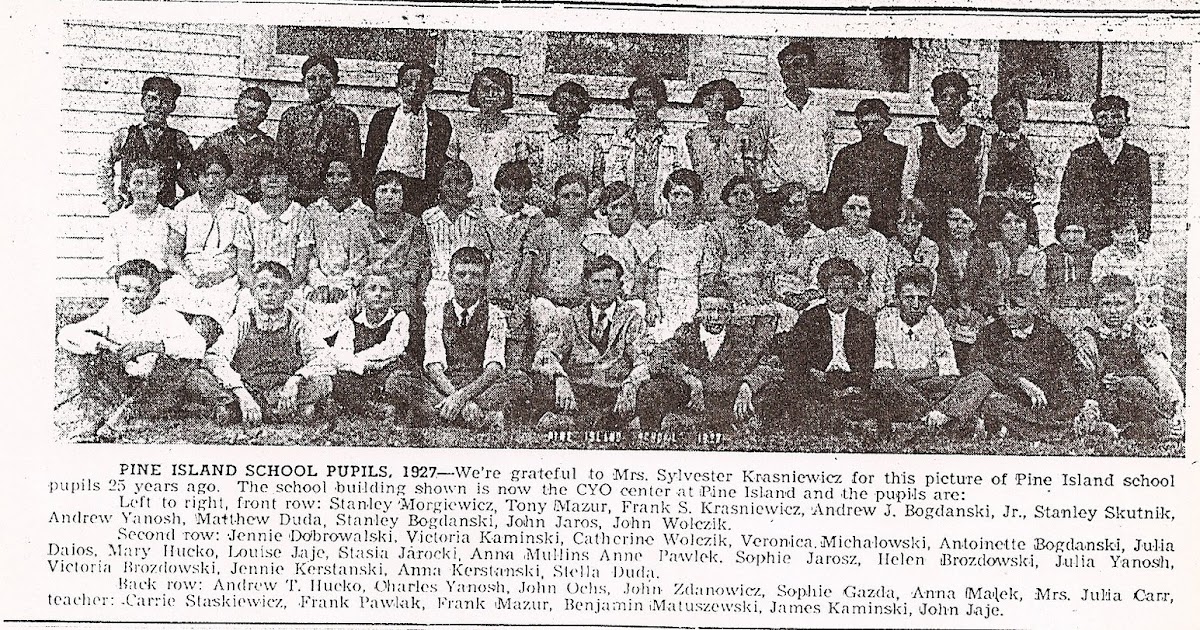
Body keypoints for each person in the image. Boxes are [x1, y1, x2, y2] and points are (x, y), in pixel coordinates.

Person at [57, 259, 229, 442]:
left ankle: (125, 413)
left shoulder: (165, 314)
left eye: (139, 290)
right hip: (122, 384)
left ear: (154, 292)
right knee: (88, 354)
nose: (131, 296)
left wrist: (152, 346)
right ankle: (112, 411)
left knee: (179, 362)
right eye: (125, 289)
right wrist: (103, 344)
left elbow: (197, 346)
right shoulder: (112, 312)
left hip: (158, 387)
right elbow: (67, 334)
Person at [389, 247, 532, 429]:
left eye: (475, 275)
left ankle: (442, 414)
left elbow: (494, 367)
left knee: (521, 381)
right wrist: (456, 397)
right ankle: (479, 416)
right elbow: (434, 367)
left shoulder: (495, 315)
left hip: (480, 388)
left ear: (485, 280)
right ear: (451, 277)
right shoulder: (437, 312)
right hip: (445, 386)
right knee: (398, 380)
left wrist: (461, 398)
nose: (467, 281)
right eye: (461, 274)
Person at [204, 261, 335, 425]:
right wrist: (242, 394)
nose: (269, 293)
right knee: (200, 376)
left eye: (276, 288)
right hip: (246, 389)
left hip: (281, 391)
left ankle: (244, 411)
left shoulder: (297, 322)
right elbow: (216, 357)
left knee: (323, 381)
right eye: (262, 286)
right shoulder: (243, 319)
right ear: (253, 292)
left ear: (288, 294)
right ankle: (271, 410)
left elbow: (324, 356)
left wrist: (296, 380)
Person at [532, 255, 653, 429]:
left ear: (619, 286)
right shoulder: (572, 318)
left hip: (615, 392)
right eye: (596, 282)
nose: (602, 288)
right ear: (587, 286)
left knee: (648, 390)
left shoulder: (631, 318)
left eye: (608, 282)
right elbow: (545, 353)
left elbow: (644, 359)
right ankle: (577, 420)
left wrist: (631, 384)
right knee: (541, 383)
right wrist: (560, 378)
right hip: (579, 391)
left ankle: (581, 422)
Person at [871, 265, 993, 436]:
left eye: (922, 298)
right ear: (897, 298)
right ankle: (941, 417)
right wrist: (929, 371)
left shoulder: (934, 318)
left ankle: (932, 418)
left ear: (930, 299)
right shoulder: (886, 318)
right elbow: (883, 367)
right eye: (908, 298)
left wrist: (911, 374)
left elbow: (949, 368)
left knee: (981, 380)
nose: (915, 304)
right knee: (883, 379)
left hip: (932, 386)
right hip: (900, 390)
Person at [639, 282, 778, 431]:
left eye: (722, 311)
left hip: (727, 400)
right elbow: (660, 356)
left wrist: (748, 385)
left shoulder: (742, 336)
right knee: (652, 390)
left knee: (772, 390)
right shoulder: (687, 333)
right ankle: (652, 437)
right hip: (694, 401)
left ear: (730, 313)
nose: (715, 317)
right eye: (710, 310)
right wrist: (689, 379)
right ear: (699, 311)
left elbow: (770, 363)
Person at [967, 278, 1084, 439]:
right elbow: (975, 364)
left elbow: (1075, 372)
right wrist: (1018, 381)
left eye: (1015, 307)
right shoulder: (990, 333)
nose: (1006, 313)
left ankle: (1030, 429)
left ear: (1033, 307)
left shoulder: (1051, 335)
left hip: (1042, 403)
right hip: (1008, 399)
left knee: (1066, 404)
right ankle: (1050, 430)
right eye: (1003, 307)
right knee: (993, 403)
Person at [770, 257, 876, 430]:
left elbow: (866, 364)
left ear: (856, 291)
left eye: (847, 290)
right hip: (819, 380)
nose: (841, 296)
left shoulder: (864, 321)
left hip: (851, 382)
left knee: (870, 398)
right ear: (824, 291)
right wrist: (818, 376)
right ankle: (837, 416)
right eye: (834, 290)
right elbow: (797, 359)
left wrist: (851, 383)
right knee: (797, 393)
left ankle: (843, 414)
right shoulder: (810, 318)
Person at [1076, 274, 1182, 441]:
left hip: (1135, 399)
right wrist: (1102, 382)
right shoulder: (1090, 338)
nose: (1112, 311)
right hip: (1104, 398)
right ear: (1096, 307)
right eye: (1106, 304)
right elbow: (1084, 378)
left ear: (1133, 307)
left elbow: (1158, 371)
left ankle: (1153, 424)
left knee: (1139, 386)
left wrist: (1175, 404)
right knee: (1134, 386)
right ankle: (1106, 426)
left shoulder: (1139, 335)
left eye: (1119, 304)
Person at [158, 147, 249, 334]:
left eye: (216, 174)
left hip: (226, 274)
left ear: (226, 176)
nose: (210, 181)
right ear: (196, 177)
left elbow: (245, 255)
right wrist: (189, 275)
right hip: (191, 273)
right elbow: (173, 254)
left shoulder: (242, 207)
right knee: (166, 304)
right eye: (204, 175)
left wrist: (221, 275)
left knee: (212, 314)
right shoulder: (185, 207)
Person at [901, 71, 989, 243]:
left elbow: (981, 177)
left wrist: (973, 209)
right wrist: (911, 202)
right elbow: (910, 173)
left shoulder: (978, 135)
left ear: (964, 101)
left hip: (961, 213)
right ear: (935, 101)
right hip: (928, 209)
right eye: (944, 96)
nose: (949, 102)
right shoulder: (921, 132)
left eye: (955, 97)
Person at [1057, 95, 1152, 250]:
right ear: (1094, 121)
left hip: (1125, 239)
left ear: (1126, 120)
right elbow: (1067, 198)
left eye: (1116, 116)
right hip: (1089, 238)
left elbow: (1144, 201)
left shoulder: (1139, 157)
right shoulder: (1080, 156)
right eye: (1103, 117)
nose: (1110, 122)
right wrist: (1067, 232)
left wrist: (1142, 237)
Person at [699, 176, 793, 329]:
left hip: (759, 298)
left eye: (746, 194)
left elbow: (770, 271)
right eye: (735, 194)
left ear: (755, 201)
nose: (740, 199)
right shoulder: (716, 231)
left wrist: (762, 294)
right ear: (727, 200)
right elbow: (710, 272)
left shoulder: (766, 232)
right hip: (727, 299)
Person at [748, 41, 833, 208]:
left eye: (799, 66)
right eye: (786, 68)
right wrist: (763, 195)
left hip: (813, 199)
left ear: (812, 71)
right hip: (776, 197)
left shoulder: (824, 112)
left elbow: (826, 154)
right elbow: (754, 159)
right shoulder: (767, 112)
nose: (793, 73)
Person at [363, 61, 452, 213]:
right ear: (398, 86)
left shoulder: (439, 122)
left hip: (420, 190)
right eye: (407, 83)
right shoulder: (382, 118)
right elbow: (369, 159)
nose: (414, 88)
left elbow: (440, 160)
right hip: (386, 186)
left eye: (420, 83)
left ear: (430, 87)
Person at [97, 76, 196, 211]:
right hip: (130, 211)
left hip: (164, 212)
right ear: (143, 102)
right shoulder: (125, 135)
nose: (157, 105)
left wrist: (183, 201)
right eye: (152, 99)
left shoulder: (178, 138)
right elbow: (104, 165)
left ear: (172, 107)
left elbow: (193, 171)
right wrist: (109, 199)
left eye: (165, 101)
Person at [301, 157, 372, 340]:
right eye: (331, 175)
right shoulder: (313, 212)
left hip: (349, 282)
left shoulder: (364, 214)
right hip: (317, 280)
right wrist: (320, 283)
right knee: (312, 309)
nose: (336, 181)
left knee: (341, 311)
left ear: (353, 180)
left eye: (342, 176)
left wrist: (341, 284)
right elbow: (310, 255)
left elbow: (361, 260)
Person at [276, 54, 362, 205]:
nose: (318, 84)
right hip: (295, 193)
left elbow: (352, 160)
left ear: (335, 81)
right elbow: (281, 157)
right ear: (304, 82)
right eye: (312, 79)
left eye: (324, 78)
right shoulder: (291, 116)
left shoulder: (346, 117)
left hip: (331, 196)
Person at [605, 76, 691, 224]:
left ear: (658, 102)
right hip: (629, 219)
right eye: (637, 99)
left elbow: (685, 179)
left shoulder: (674, 139)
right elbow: (613, 178)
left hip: (664, 218)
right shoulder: (622, 139)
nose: (642, 104)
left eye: (647, 98)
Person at [331, 272, 411, 422]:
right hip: (360, 376)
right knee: (340, 379)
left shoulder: (399, 319)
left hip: (386, 373)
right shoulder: (351, 324)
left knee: (397, 379)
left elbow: (391, 349)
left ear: (394, 296)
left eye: (385, 289)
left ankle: (370, 407)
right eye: (372, 289)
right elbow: (341, 355)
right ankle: (374, 409)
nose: (378, 294)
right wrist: (355, 364)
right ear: (361, 295)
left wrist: (358, 361)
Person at [421, 160, 501, 310]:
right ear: (440, 185)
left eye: (459, 182)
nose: (453, 188)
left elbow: (486, 256)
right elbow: (424, 260)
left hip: (470, 282)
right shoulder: (429, 219)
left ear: (469, 185)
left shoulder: (478, 219)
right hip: (438, 285)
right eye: (448, 182)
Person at [233, 161, 314, 305]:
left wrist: (282, 290)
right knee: (246, 305)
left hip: (290, 285)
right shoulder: (249, 215)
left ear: (288, 179)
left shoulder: (300, 214)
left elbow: (301, 268)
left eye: (279, 174)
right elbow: (243, 267)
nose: (273, 179)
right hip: (256, 283)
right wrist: (260, 288)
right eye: (266, 174)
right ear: (258, 179)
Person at [448, 67, 529, 207]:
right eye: (485, 89)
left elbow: (522, 171)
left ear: (506, 95)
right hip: (467, 202)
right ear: (476, 93)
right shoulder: (462, 129)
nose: (491, 95)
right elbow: (451, 168)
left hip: (504, 203)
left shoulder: (515, 131)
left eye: (497, 90)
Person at [826, 98, 908, 235]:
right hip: (852, 225)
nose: (870, 127)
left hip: (888, 226)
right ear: (857, 124)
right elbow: (833, 197)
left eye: (876, 122)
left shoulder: (900, 154)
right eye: (865, 123)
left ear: (887, 123)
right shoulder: (846, 155)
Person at [645, 169, 708, 341]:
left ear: (695, 198)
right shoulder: (655, 231)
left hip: (692, 297)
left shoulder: (705, 233)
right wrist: (652, 305)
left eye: (686, 195)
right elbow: (650, 276)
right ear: (668, 197)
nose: (680, 201)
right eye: (675, 194)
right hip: (663, 297)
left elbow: (707, 277)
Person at [361, 170, 431, 315]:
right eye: (383, 191)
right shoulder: (363, 226)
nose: (389, 197)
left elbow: (414, 266)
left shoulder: (414, 225)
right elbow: (359, 265)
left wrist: (393, 282)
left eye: (395, 191)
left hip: (402, 287)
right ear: (374, 196)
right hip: (371, 285)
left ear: (403, 196)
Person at [934, 204, 995, 364]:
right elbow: (938, 284)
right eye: (954, 220)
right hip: (947, 312)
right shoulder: (938, 250)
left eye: (965, 221)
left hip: (977, 313)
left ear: (974, 225)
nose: (959, 225)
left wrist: (978, 310)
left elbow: (989, 286)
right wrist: (947, 309)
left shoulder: (985, 253)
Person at [522, 172, 594, 309]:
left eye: (577, 196)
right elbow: (535, 275)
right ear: (558, 201)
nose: (572, 202)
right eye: (566, 197)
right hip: (548, 300)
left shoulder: (593, 231)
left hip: (582, 300)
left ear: (586, 199)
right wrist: (554, 296)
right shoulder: (546, 229)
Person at [529, 80, 604, 208]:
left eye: (575, 104)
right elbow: (531, 183)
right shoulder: (540, 143)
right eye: (563, 104)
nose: (569, 110)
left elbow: (599, 184)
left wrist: (584, 205)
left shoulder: (592, 145)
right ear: (554, 106)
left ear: (583, 108)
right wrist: (553, 204)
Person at [198, 87, 277, 203]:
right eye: (250, 109)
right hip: (224, 205)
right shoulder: (216, 142)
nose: (254, 116)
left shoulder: (270, 147)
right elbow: (188, 173)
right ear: (236, 109)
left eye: (260, 113)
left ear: (265, 117)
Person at [583, 182, 655, 307]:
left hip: (629, 298)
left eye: (624, 206)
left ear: (633, 210)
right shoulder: (596, 235)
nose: (619, 212)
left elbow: (640, 281)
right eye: (614, 207)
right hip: (599, 295)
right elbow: (589, 272)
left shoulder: (640, 237)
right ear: (605, 209)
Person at [686, 79, 748, 219]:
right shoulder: (693, 136)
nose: (714, 106)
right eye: (708, 100)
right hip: (704, 202)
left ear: (728, 103)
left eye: (719, 101)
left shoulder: (740, 134)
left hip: (733, 201)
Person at [822, 192, 890, 315]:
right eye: (851, 208)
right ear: (843, 210)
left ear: (871, 212)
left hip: (865, 299)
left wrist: (873, 303)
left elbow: (879, 278)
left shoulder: (878, 240)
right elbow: (824, 272)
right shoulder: (832, 236)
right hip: (836, 295)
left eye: (863, 209)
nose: (857, 214)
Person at [103, 159, 172, 274]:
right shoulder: (116, 220)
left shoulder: (171, 219)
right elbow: (110, 264)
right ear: (128, 186)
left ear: (160, 186)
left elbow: (175, 261)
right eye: (138, 183)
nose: (143, 189)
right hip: (126, 284)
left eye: (150, 183)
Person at [772, 181, 828, 313]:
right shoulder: (771, 235)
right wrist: (785, 296)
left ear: (807, 205)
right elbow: (770, 273)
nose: (793, 210)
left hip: (809, 296)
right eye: (787, 205)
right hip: (779, 296)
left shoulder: (818, 237)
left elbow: (819, 273)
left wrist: (806, 296)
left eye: (799, 204)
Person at [1044, 214, 1098, 348]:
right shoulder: (1049, 254)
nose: (1072, 237)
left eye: (1078, 232)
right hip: (1056, 310)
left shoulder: (1093, 255)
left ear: (1085, 234)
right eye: (1067, 232)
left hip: (1085, 310)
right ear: (1059, 235)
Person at [1091, 217, 1165, 309]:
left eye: (1132, 232)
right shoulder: (1103, 257)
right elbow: (1100, 288)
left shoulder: (1150, 254)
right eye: (1122, 233)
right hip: (1118, 308)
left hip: (1148, 308)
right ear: (1112, 235)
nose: (1129, 238)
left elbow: (1160, 284)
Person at [982, 91, 1036, 204]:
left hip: (1023, 204)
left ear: (1024, 114)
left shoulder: (1030, 145)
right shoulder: (988, 143)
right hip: (994, 203)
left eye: (1013, 110)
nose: (1009, 115)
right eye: (1003, 111)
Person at [987, 196, 1046, 293]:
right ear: (999, 226)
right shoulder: (991, 251)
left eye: (1019, 222)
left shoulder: (1038, 255)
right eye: (1007, 222)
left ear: (1027, 225)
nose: (1013, 227)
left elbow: (1038, 289)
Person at [885, 198, 940, 297]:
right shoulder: (888, 248)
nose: (909, 229)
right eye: (903, 224)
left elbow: (933, 283)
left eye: (914, 224)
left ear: (922, 224)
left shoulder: (930, 248)